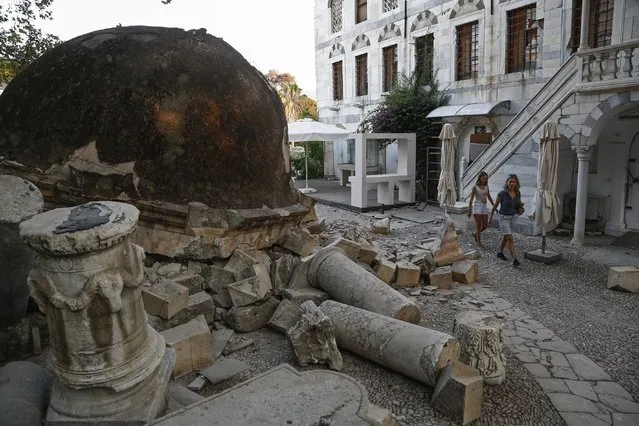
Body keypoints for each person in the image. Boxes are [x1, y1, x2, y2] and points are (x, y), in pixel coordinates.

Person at [489, 174, 523, 267]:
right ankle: (515, 259)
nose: (512, 183)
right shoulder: (502, 194)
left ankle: (500, 253)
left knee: (506, 237)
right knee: (510, 239)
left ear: (516, 184)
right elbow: (495, 206)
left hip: (514, 218)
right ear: (507, 183)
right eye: (510, 182)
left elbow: (518, 205)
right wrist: (490, 218)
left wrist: (520, 210)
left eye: (514, 182)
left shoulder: (518, 193)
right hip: (504, 218)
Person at [467, 171, 494, 248]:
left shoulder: (486, 187)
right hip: (477, 206)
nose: (484, 180)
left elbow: (489, 197)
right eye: (483, 178)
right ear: (480, 178)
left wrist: (494, 206)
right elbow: (471, 199)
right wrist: (469, 210)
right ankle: (478, 242)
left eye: (486, 178)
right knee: (478, 225)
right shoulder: (475, 187)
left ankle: (475, 233)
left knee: (485, 226)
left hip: (484, 206)